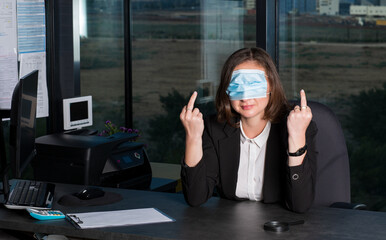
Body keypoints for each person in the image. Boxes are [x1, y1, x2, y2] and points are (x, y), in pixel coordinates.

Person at [179, 47, 317, 213]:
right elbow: (195, 198)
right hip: (227, 227)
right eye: (236, 85)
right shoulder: (213, 128)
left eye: (254, 85)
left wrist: (296, 137)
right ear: (227, 90)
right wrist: (193, 138)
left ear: (271, 85)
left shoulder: (298, 128)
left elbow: (300, 204)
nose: (245, 97)